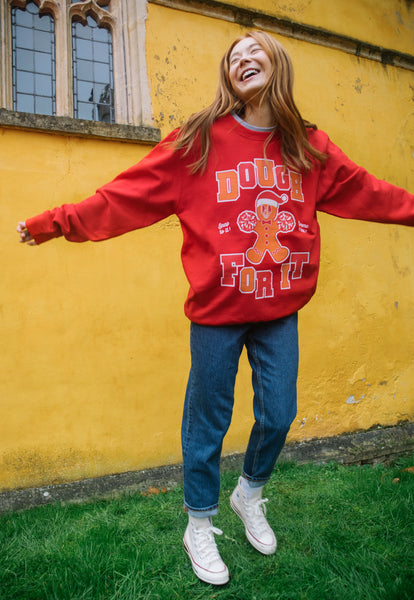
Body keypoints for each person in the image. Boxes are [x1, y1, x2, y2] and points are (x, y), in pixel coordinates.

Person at [17, 30, 414, 586]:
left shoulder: (310, 147)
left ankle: (249, 494)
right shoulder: (199, 139)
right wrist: (54, 222)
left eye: (255, 51)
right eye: (233, 57)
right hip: (216, 314)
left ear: (278, 65)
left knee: (277, 414)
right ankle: (198, 522)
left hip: (279, 310)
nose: (242, 60)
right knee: (208, 422)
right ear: (228, 77)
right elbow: (124, 197)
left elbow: (371, 192)